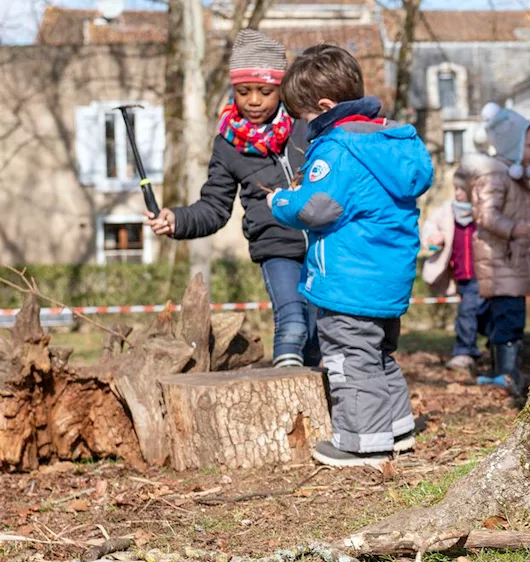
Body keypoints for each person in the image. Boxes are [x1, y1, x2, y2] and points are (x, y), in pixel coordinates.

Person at [269, 44, 433, 467]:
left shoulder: (336, 148)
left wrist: (280, 202)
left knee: (347, 359)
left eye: (304, 118)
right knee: (377, 355)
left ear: (324, 107)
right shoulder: (392, 141)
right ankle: (396, 428)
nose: (304, 128)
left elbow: (316, 208)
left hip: (347, 280)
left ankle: (362, 442)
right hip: (388, 278)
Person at [144, 29, 318, 368]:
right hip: (277, 248)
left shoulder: (306, 126)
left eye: (265, 91)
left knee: (319, 334)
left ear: (281, 89)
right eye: (243, 91)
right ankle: (285, 383)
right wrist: (178, 219)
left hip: (323, 244)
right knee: (293, 324)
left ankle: (323, 407)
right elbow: (214, 207)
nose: (253, 101)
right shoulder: (228, 144)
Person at [465, 103, 530, 394]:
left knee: (511, 318)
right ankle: (505, 372)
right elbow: (485, 214)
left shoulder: (516, 176)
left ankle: (504, 370)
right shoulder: (495, 174)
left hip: (514, 262)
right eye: (529, 145)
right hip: (500, 262)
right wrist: (514, 229)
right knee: (508, 319)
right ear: (512, 144)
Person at [421, 170, 487, 372]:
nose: (458, 193)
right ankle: (464, 351)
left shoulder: (482, 210)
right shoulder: (448, 210)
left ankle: (486, 347)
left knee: (480, 313)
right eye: (456, 188)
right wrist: (434, 237)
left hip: (483, 272)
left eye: (463, 189)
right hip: (462, 274)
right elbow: (430, 224)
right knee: (467, 312)